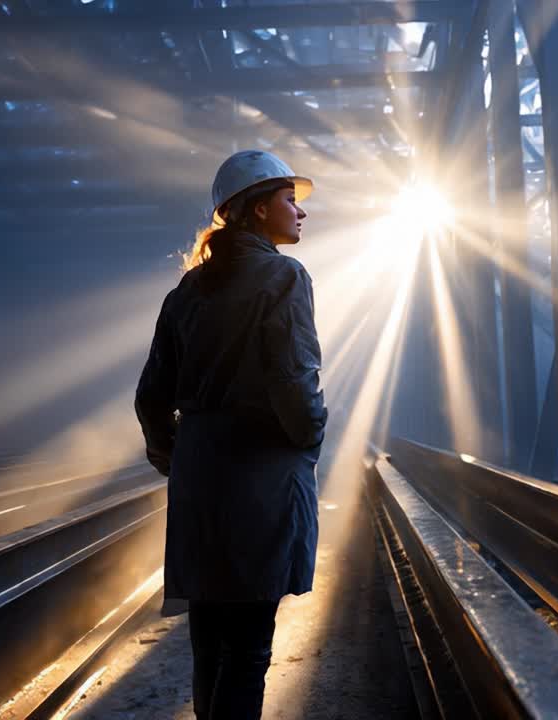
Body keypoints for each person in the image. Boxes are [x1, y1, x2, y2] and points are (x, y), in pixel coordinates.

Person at [134, 150, 327, 720]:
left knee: (210, 645)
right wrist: (307, 441)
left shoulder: (186, 293)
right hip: (260, 475)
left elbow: (151, 398)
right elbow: (295, 382)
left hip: (199, 480)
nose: (300, 212)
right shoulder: (284, 277)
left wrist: (180, 458)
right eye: (290, 199)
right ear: (259, 208)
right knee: (247, 649)